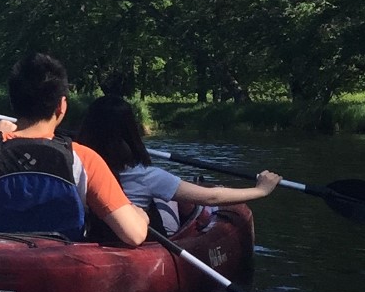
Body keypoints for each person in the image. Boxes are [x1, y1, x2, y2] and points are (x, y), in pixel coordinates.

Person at [0, 52, 150, 246]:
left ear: (13, 103)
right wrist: (141, 215)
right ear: (62, 105)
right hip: (58, 270)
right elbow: (134, 235)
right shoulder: (84, 158)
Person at [73, 92, 279, 235]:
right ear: (131, 131)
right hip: (131, 233)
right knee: (171, 201)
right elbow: (212, 196)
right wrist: (261, 190)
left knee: (167, 200)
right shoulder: (146, 175)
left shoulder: (74, 164)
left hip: (91, 233)